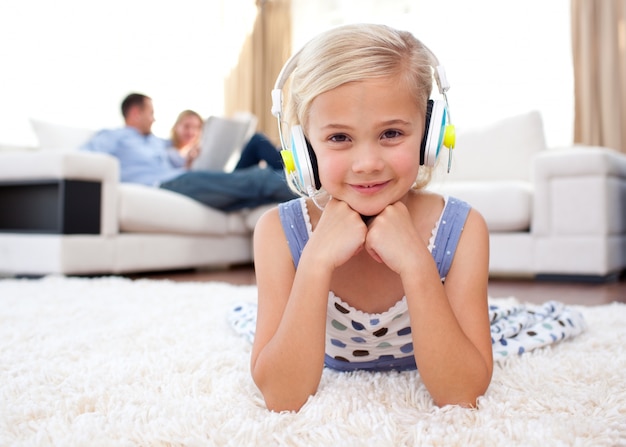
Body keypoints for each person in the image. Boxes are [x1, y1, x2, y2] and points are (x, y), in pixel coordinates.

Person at [250, 24, 494, 413]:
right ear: (303, 149)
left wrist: (416, 264)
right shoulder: (278, 233)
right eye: (339, 138)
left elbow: (462, 393)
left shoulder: (462, 230)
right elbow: (282, 396)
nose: (367, 164)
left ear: (430, 136)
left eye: (392, 133)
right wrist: (315, 262)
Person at [80, 93, 296, 211]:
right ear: (135, 113)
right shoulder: (115, 136)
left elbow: (178, 160)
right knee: (257, 179)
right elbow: (82, 156)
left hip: (181, 179)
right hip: (166, 185)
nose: (154, 119)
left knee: (256, 178)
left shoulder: (155, 142)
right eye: (150, 113)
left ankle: (299, 176)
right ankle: (308, 185)